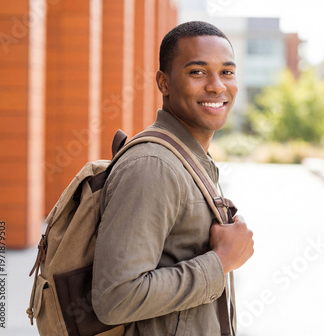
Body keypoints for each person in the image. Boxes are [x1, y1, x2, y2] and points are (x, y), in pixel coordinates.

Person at [92, 21, 254, 335]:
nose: (217, 86)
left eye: (227, 72)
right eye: (198, 72)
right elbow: (115, 298)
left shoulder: (190, 157)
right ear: (163, 83)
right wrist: (220, 262)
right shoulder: (154, 165)